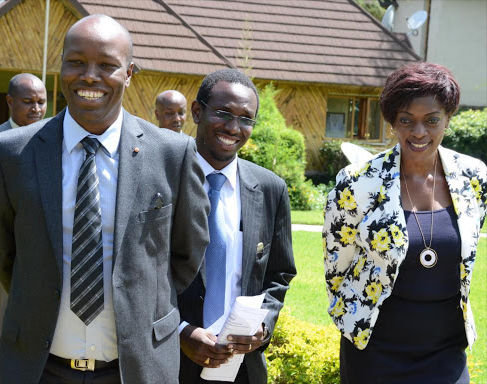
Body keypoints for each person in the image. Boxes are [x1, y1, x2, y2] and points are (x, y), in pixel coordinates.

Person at [0, 15, 209, 384]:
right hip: (38, 369)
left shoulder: (173, 154)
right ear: (61, 66)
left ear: (130, 72)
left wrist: (140, 292)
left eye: (106, 65)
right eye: (76, 62)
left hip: (136, 369)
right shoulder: (10, 154)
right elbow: (4, 251)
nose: (89, 76)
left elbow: (187, 254)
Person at [323, 62, 487, 383]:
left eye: (432, 120)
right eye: (406, 120)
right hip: (374, 350)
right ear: (392, 122)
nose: (419, 132)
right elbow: (336, 270)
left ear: (448, 119)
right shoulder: (357, 182)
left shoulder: (474, 177)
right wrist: (351, 320)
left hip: (446, 350)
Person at [177, 69, 297, 384]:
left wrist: (264, 325)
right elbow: (139, 273)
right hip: (168, 361)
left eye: (246, 119)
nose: (234, 128)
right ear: (197, 111)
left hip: (241, 368)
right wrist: (181, 332)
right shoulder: (163, 178)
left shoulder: (270, 189)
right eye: (224, 114)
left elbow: (278, 275)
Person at [0, 73, 47, 384]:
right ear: (9, 102)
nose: (36, 109)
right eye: (28, 102)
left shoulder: (53, 141)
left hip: (45, 266)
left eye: (41, 102)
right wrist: (5, 256)